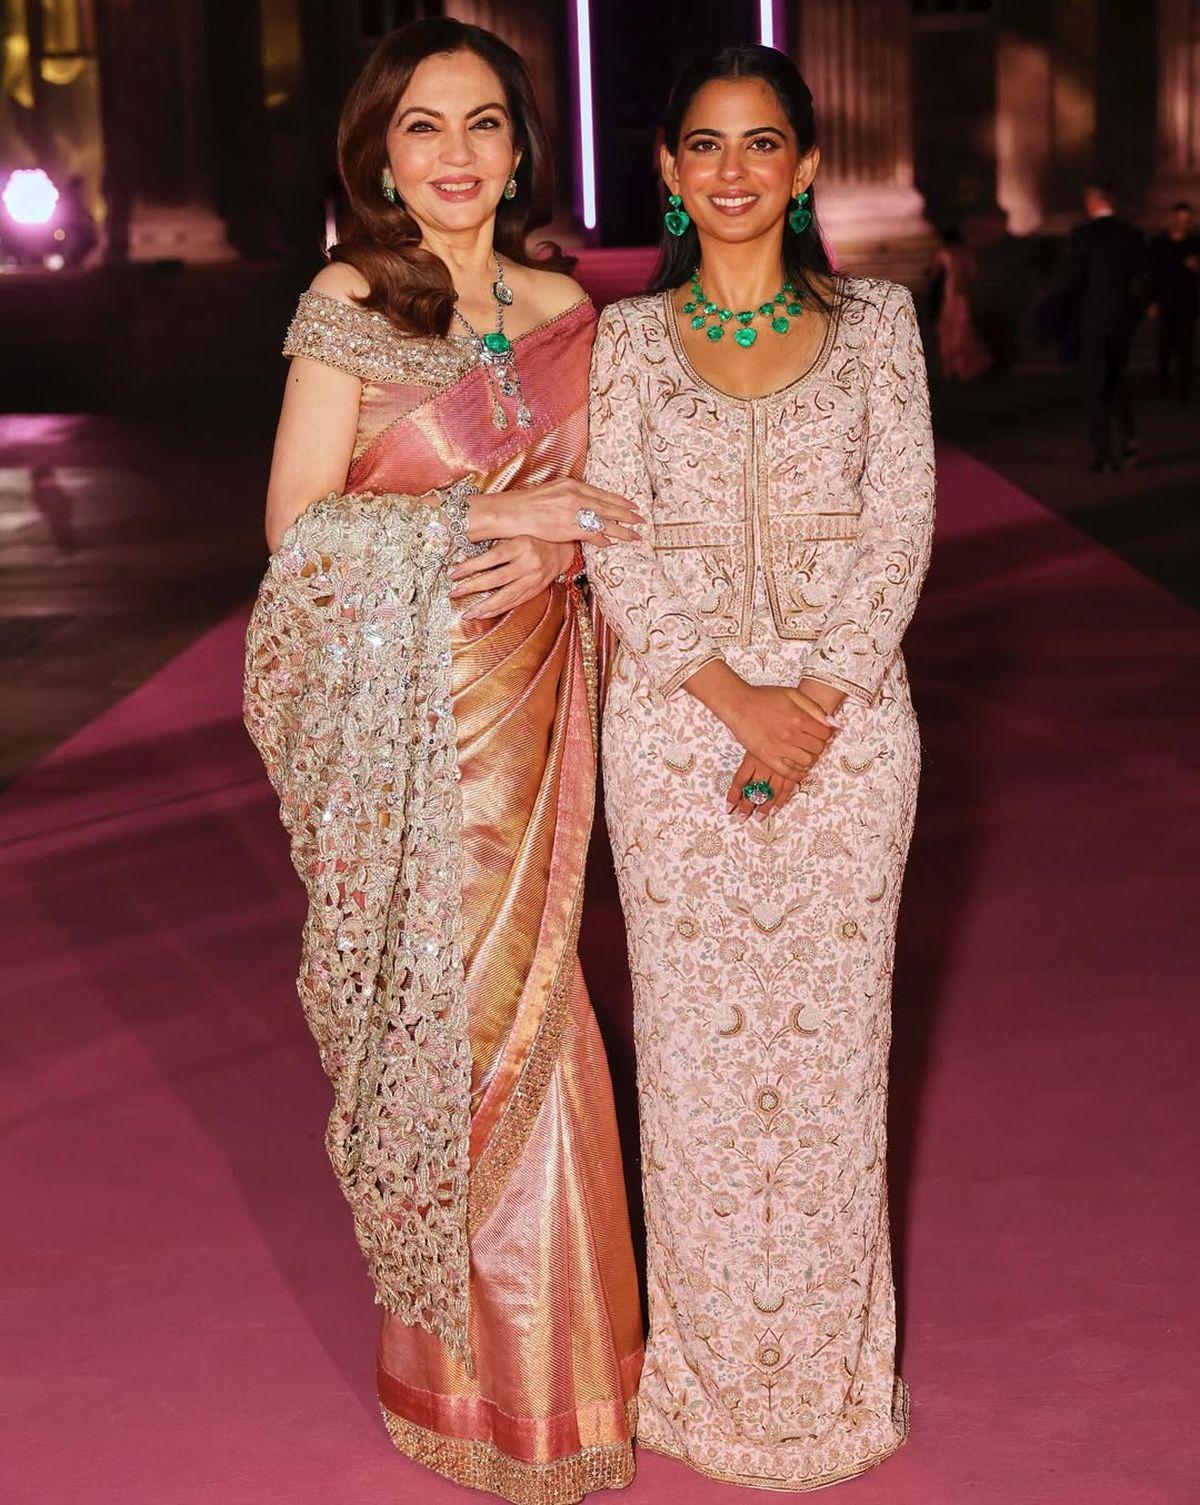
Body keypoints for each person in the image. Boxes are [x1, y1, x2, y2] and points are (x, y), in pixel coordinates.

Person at [244, 20, 645, 1502]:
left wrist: (560, 556)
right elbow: (296, 528)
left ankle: (570, 1383)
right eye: (425, 128)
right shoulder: (352, 300)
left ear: (523, 145)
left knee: (552, 1018)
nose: (459, 155)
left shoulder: (567, 305)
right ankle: (466, 1388)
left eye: (485, 124)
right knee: (451, 1037)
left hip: (540, 702)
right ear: (380, 152)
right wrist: (488, 524)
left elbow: (615, 505)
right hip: (404, 732)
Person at [583, 43, 934, 1492]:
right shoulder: (621, 345)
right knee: (697, 1060)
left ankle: (836, 1390)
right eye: (706, 147)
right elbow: (613, 537)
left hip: (853, 740)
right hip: (671, 736)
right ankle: (709, 1384)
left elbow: (900, 524)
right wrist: (739, 702)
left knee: (835, 1059)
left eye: (763, 144)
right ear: (667, 171)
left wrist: (818, 701)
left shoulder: (881, 328)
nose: (733, 170)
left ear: (801, 171)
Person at [1063, 182, 1145, 472]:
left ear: (1092, 202)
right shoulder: (1132, 234)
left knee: (1096, 384)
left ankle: (1103, 452)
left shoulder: (1083, 235)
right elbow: (1143, 279)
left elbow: (1074, 280)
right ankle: (1129, 439)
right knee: (1118, 378)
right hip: (1122, 318)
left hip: (1093, 318)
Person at [1147, 200, 1199, 403]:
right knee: (1164, 346)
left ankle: (1182, 391)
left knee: (1186, 348)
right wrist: (1151, 301)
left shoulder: (1195, 243)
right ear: (1172, 219)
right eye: (1179, 220)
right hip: (1165, 301)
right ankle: (1164, 386)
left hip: (1187, 302)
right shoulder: (1159, 245)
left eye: (1186, 220)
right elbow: (1151, 275)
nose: (1182, 224)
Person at [931, 224, 993, 381]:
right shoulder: (965, 253)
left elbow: (935, 275)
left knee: (950, 328)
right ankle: (964, 367)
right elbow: (973, 273)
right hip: (963, 293)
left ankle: (953, 368)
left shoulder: (943, 253)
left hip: (950, 293)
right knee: (963, 327)